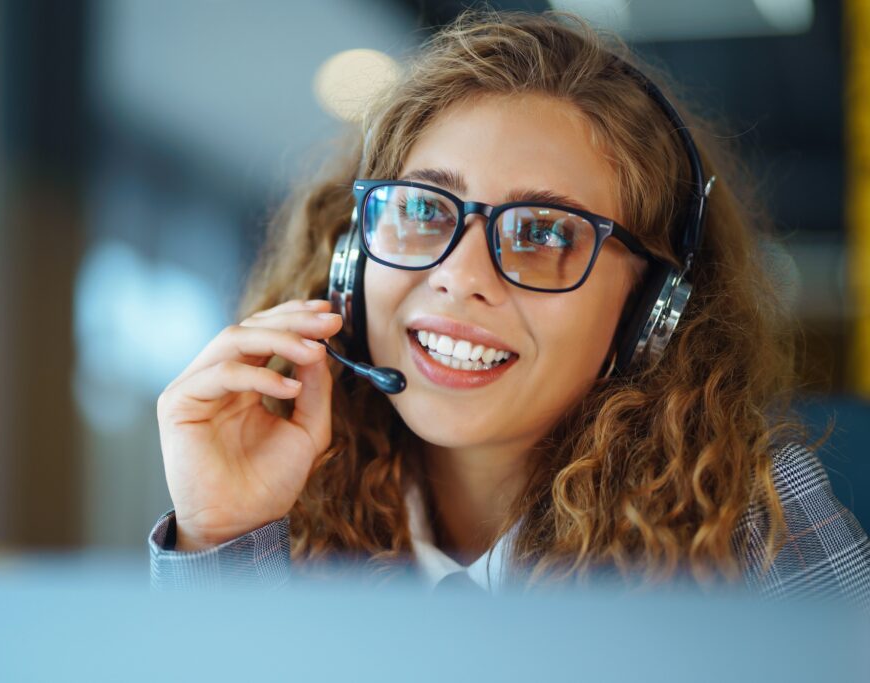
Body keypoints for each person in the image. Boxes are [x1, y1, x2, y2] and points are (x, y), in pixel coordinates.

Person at [150, 10, 870, 601]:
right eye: (424, 210)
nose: (460, 277)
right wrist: (222, 538)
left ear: (652, 310)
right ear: (351, 260)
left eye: (544, 234)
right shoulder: (276, 497)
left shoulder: (749, 518)